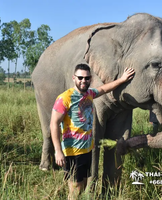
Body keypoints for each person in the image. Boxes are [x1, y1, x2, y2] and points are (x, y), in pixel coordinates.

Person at [50, 63, 135, 199]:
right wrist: (58, 151)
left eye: (87, 78)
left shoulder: (89, 94)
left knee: (83, 184)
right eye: (80, 78)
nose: (84, 81)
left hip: (86, 150)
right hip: (72, 152)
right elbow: (54, 124)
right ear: (74, 78)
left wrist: (122, 79)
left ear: (90, 79)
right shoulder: (65, 98)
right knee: (75, 189)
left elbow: (103, 89)